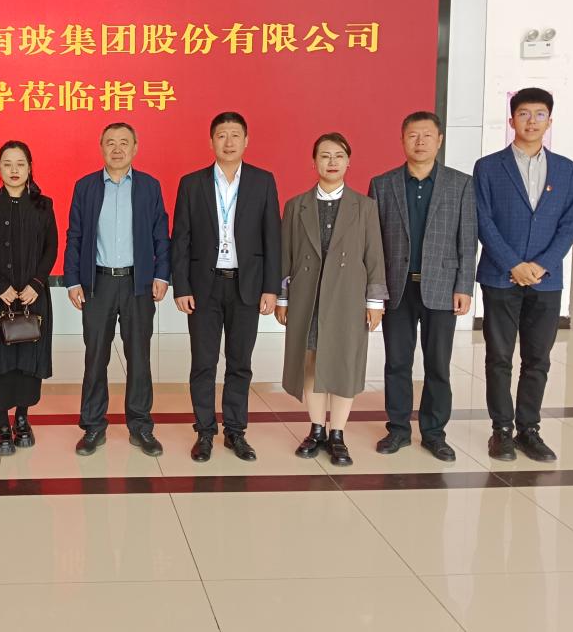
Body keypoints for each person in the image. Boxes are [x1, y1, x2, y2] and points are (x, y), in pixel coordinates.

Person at [172, 111, 281, 462]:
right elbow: (181, 239)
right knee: (203, 363)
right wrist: (181, 286)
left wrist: (271, 288)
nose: (229, 142)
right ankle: (204, 432)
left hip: (246, 286)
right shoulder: (192, 184)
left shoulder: (263, 182)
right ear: (211, 142)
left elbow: (273, 238)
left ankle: (236, 431)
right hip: (204, 287)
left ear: (246, 141)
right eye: (222, 135)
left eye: (235, 135)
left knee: (239, 363)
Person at [474, 87, 573, 462]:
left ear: (550, 121)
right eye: (524, 114)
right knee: (499, 357)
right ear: (511, 120)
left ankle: (528, 430)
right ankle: (501, 430)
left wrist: (542, 264)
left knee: (538, 358)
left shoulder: (567, 170)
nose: (531, 121)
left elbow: (569, 224)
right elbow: (482, 220)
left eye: (539, 114)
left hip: (546, 280)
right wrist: (512, 264)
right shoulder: (488, 167)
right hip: (500, 276)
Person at [369, 112, 477, 462]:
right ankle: (398, 430)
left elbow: (467, 240)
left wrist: (464, 286)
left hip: (443, 288)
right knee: (396, 363)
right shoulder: (382, 184)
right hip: (397, 289)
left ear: (439, 140)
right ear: (402, 140)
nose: (420, 142)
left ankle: (434, 433)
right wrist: (374, 292)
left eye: (427, 135)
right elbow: (373, 244)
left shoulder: (460, 184)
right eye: (412, 135)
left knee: (438, 365)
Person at [275, 133, 388, 466]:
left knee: (343, 362)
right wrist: (283, 297)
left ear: (348, 162)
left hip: (348, 298)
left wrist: (374, 302)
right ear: (314, 162)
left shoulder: (364, 207)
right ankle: (316, 429)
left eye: (339, 156)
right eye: (325, 156)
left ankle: (337, 433)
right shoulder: (296, 206)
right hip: (307, 298)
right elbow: (285, 256)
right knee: (310, 361)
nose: (332, 162)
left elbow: (374, 256)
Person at [64, 122, 170, 457]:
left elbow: (161, 234)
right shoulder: (86, 187)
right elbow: (74, 235)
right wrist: (72, 280)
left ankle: (140, 426)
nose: (117, 149)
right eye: (110, 142)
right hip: (98, 283)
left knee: (139, 356)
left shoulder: (149, 186)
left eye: (124, 142)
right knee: (96, 356)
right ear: (101, 147)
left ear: (135, 147)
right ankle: (93, 426)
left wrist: (162, 275)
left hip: (138, 283)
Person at [0, 141, 57, 455]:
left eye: (20, 163)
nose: (14, 170)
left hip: (33, 295)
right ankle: (2, 426)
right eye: (7, 164)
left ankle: (22, 418)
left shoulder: (43, 205)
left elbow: (51, 247)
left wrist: (37, 283)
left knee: (28, 358)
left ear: (30, 167)